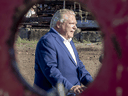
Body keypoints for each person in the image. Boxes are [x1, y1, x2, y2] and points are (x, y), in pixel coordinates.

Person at [33, 9, 93, 95]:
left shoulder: (68, 40)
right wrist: (70, 87)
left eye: (75, 24)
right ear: (59, 24)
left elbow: (79, 66)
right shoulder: (47, 41)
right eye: (71, 23)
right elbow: (51, 70)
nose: (75, 27)